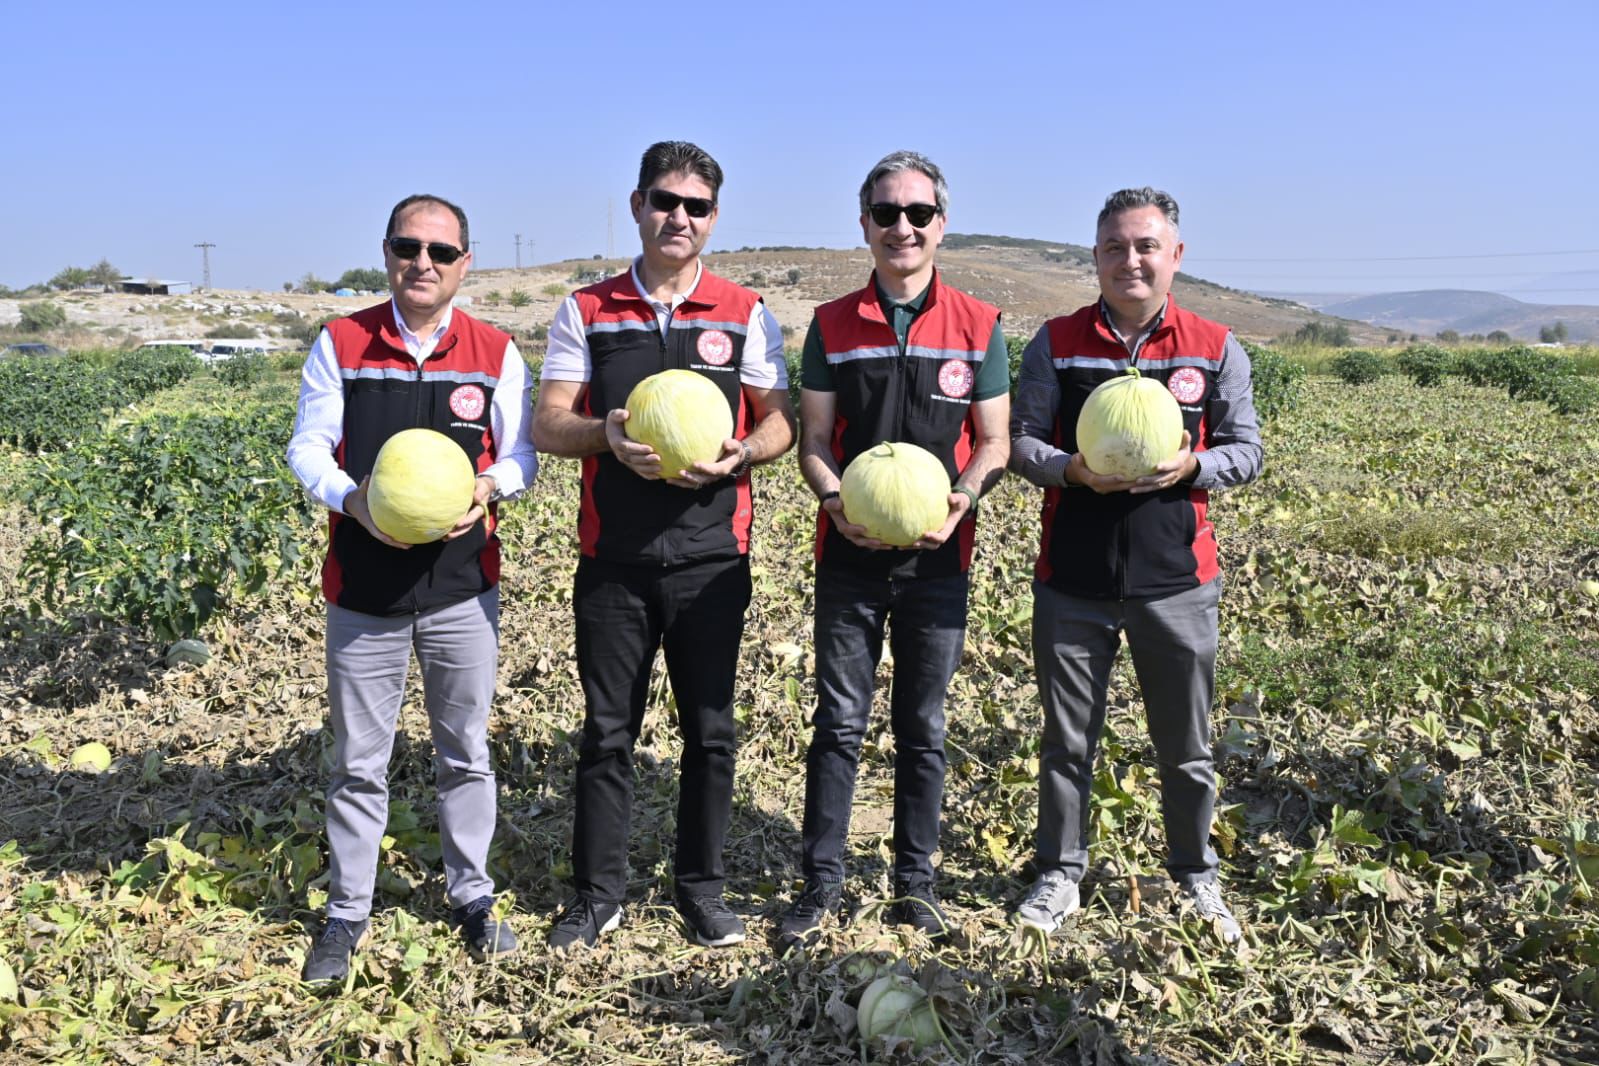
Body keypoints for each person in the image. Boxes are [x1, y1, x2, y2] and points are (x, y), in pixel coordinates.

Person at [532, 141, 795, 951]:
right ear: (639, 205)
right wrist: (606, 436)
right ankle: (597, 894)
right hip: (615, 559)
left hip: (713, 557)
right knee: (608, 731)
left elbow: (778, 421)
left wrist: (743, 452)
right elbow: (548, 423)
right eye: (663, 200)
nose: (677, 217)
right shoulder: (587, 309)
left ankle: (701, 889)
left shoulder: (745, 310)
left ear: (713, 219)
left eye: (695, 205)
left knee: (710, 731)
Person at [286, 193, 538, 984]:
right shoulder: (342, 341)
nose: (421, 263)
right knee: (359, 761)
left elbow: (524, 455)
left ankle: (472, 897)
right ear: (387, 253)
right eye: (407, 247)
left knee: (464, 751)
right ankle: (347, 913)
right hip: (364, 589)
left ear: (465, 264)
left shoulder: (494, 350)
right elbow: (307, 448)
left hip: (463, 590)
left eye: (439, 252)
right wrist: (353, 499)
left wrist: (488, 488)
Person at [1007, 187, 1263, 943]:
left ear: (1174, 256)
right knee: (1065, 741)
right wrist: (1071, 471)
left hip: (1176, 582)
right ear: (1095, 257)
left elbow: (1246, 451)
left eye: (1146, 246)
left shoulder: (1214, 346)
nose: (1131, 260)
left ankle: (1194, 876)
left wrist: (1191, 467)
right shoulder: (1055, 342)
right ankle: (1059, 873)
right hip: (1072, 580)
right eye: (1115, 247)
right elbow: (1022, 443)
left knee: (1184, 746)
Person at [780, 150, 1010, 950]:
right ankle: (821, 883)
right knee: (838, 723)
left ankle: (915, 886)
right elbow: (812, 440)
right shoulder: (832, 325)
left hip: (938, 561)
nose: (901, 228)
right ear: (865, 226)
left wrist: (966, 497)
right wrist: (833, 499)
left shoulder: (979, 325)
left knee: (923, 726)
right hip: (848, 556)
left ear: (940, 225)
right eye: (886, 214)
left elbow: (993, 443)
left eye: (917, 214)